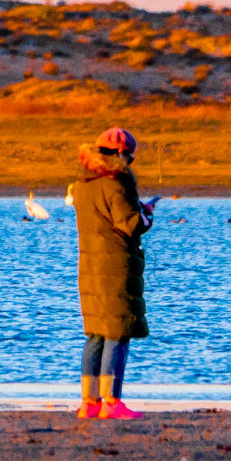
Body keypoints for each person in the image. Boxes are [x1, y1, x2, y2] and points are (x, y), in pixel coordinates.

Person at [71, 126, 155, 420]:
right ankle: (111, 402)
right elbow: (130, 225)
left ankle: (89, 403)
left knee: (95, 335)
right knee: (117, 334)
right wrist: (146, 214)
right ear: (122, 156)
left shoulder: (82, 185)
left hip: (89, 269)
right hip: (115, 267)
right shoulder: (116, 184)